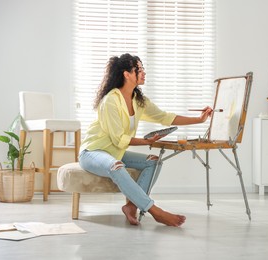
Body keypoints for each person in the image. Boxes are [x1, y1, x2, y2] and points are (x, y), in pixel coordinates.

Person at [79, 53, 213, 227]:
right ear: (126, 74)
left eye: (143, 69)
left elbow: (164, 117)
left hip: (115, 151)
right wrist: (147, 141)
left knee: (154, 162)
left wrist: (199, 120)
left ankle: (131, 206)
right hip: (93, 152)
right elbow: (119, 138)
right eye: (139, 69)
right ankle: (156, 211)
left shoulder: (138, 99)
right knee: (116, 166)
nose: (143, 73)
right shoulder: (110, 101)